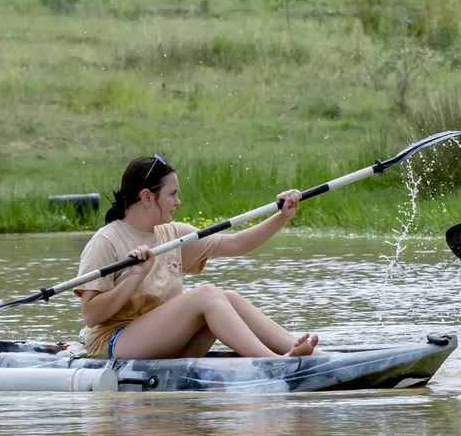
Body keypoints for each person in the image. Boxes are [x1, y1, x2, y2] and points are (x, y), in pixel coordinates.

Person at [76, 154, 318, 360]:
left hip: (161, 342)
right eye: (172, 194)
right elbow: (91, 315)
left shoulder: (174, 234)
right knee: (207, 295)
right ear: (148, 197)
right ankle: (274, 362)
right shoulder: (105, 241)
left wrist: (283, 215)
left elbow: (237, 245)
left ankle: (316, 355)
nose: (178, 202)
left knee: (228, 298)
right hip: (113, 344)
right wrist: (134, 276)